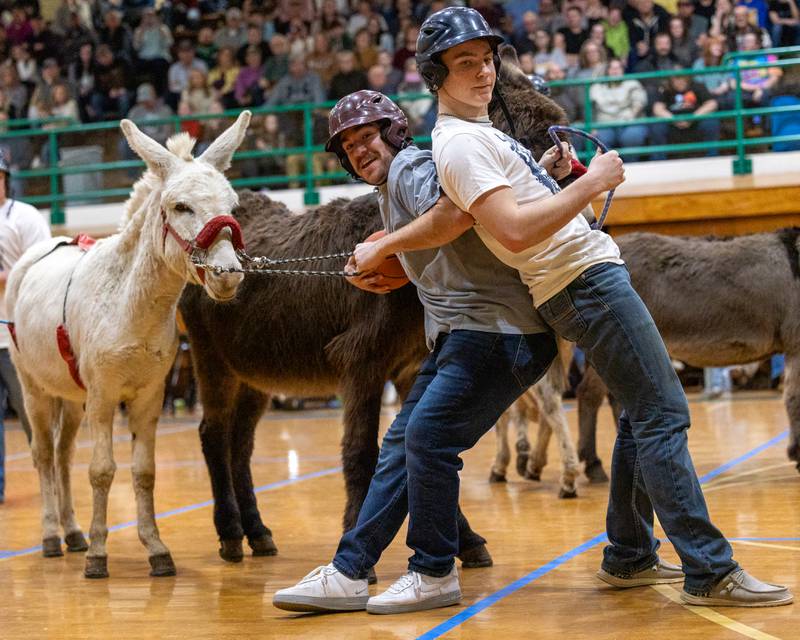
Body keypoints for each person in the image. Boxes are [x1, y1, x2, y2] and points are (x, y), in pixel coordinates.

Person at [353, 6, 793, 609]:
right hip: (583, 282)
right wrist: (594, 182)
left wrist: (552, 177)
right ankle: (711, 569)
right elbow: (509, 231)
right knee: (665, 415)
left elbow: (500, 214)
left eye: (486, 60)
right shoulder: (457, 144)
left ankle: (631, 555)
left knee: (643, 416)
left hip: (582, 278)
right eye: (464, 64)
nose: (483, 73)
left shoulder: (478, 135)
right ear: (436, 76)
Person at [272, 88, 565, 614]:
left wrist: (385, 245)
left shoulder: (409, 167)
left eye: (367, 137)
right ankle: (350, 569)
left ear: (392, 131)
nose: (360, 150)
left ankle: (432, 571)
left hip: (499, 334)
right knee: (400, 448)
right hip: (465, 335)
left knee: (426, 441)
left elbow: (457, 211)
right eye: (348, 146)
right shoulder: (391, 187)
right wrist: (389, 266)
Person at [0, 151, 51, 504]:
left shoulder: (25, 218)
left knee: (34, 415)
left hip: (16, 336)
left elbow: (43, 269)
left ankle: (51, 479)